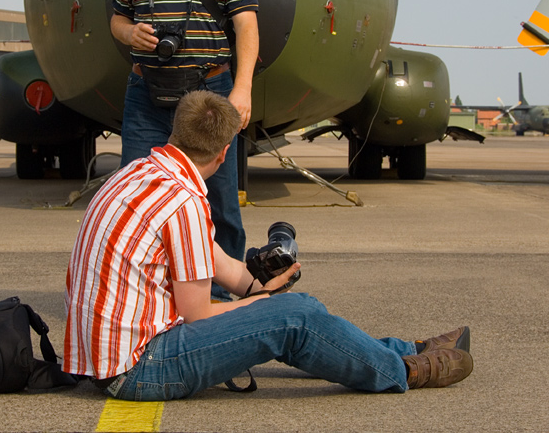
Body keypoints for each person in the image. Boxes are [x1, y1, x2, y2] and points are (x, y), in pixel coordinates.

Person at [63, 90, 473, 401]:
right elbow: (198, 315)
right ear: (225, 153)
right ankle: (404, 371)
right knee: (294, 318)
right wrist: (270, 306)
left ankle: (407, 349)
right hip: (135, 371)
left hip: (106, 358)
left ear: (177, 131)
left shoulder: (141, 172)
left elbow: (218, 261)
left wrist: (260, 288)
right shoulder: (182, 202)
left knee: (303, 308)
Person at [110, 0, 259, 288]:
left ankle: (223, 298)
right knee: (134, 194)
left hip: (211, 90)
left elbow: (246, 24)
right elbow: (117, 20)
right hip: (147, 91)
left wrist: (242, 87)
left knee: (221, 200)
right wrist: (129, 32)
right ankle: (141, 288)